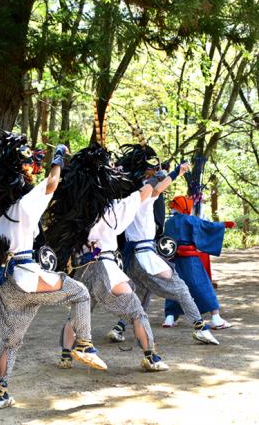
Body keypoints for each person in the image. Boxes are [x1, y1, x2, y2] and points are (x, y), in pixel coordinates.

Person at [0, 131, 106, 411]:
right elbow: (52, 183)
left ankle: (0, 393)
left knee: (10, 343)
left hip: (6, 284)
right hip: (28, 275)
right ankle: (83, 344)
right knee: (80, 293)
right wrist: (59, 158)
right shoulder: (24, 205)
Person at [46, 143, 169, 372]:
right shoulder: (111, 209)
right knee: (136, 311)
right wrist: (155, 179)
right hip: (106, 267)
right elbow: (140, 196)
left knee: (78, 311)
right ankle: (151, 357)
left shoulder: (75, 212)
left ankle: (65, 356)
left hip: (83, 268)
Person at [107, 144, 219, 346]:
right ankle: (200, 328)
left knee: (139, 293)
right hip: (145, 255)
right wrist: (174, 172)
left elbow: (156, 187)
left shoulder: (126, 197)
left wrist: (168, 173)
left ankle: (119, 327)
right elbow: (157, 187)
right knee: (181, 289)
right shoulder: (141, 195)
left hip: (132, 259)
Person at [163, 195, 234, 329]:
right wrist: (223, 225)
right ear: (186, 207)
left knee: (174, 286)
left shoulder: (169, 223)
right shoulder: (190, 220)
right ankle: (216, 318)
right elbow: (207, 226)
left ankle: (169, 318)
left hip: (173, 260)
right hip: (190, 260)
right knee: (203, 285)